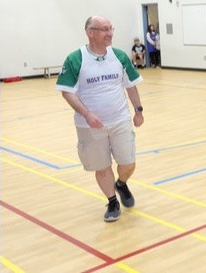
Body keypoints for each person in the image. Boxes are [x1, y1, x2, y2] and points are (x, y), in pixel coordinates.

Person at [56, 15, 144, 222]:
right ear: (90, 32)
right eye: (104, 29)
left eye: (110, 28)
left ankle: (121, 183)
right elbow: (67, 91)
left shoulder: (119, 56)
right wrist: (87, 114)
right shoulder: (75, 59)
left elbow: (130, 85)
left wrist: (138, 110)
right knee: (102, 167)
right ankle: (112, 201)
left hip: (120, 120)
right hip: (90, 126)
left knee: (128, 163)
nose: (110, 33)